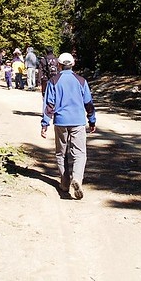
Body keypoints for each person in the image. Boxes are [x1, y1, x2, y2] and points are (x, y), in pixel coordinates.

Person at [40, 52, 96, 200]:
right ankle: (77, 178)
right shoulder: (81, 81)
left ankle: (64, 184)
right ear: (73, 64)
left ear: (58, 65)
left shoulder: (53, 81)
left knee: (61, 153)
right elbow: (88, 103)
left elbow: (49, 105)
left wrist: (45, 123)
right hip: (78, 121)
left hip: (61, 122)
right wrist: (92, 120)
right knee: (80, 153)